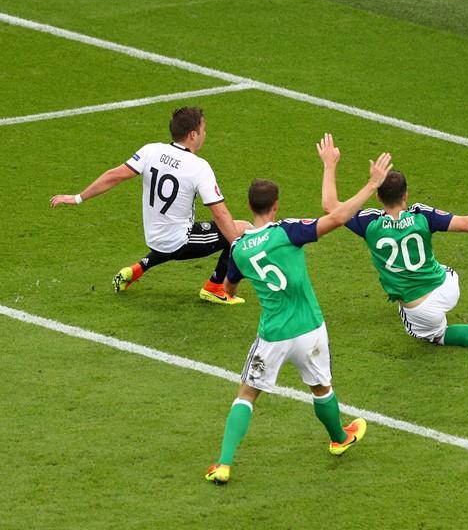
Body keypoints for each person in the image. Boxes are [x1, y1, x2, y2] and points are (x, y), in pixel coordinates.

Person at [204, 141, 393, 485]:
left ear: (250, 206)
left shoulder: (239, 250)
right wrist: (368, 182)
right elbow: (337, 216)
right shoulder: (288, 232)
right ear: (276, 205)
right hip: (309, 328)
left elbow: (228, 288)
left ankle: (224, 464)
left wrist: (233, 287)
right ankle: (339, 438)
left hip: (273, 335)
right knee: (321, 387)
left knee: (247, 395)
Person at [317, 135, 468, 350]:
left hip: (421, 308)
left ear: (378, 196)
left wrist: (329, 164)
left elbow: (330, 206)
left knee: (437, 336)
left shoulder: (368, 223)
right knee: (436, 267)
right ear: (406, 195)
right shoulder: (422, 215)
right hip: (448, 285)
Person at [50, 107, 250, 304]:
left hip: (153, 236)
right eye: (203, 129)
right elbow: (220, 213)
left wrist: (77, 198)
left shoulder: (151, 151)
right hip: (177, 240)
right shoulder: (199, 167)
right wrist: (238, 248)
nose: (205, 134)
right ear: (192, 134)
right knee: (243, 229)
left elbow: (114, 176)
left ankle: (137, 269)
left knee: (174, 234)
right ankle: (215, 288)